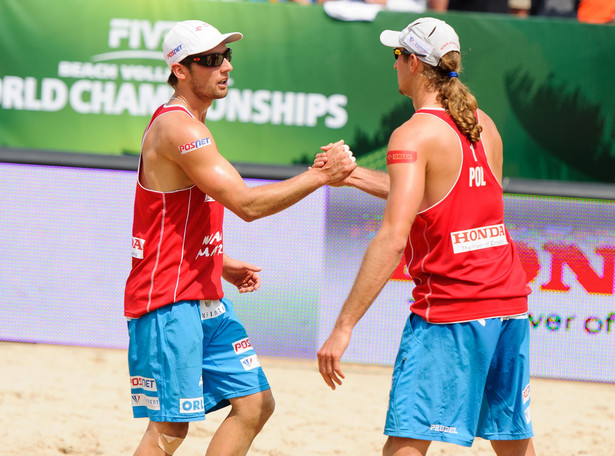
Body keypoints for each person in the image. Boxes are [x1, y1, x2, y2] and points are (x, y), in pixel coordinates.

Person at [124, 20, 356, 456]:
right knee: (170, 429)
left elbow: (167, 217)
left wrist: (216, 259)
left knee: (255, 405)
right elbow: (246, 205)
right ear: (180, 70)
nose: (225, 66)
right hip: (169, 301)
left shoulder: (193, 127)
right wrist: (319, 176)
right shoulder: (180, 129)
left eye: (226, 56)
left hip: (200, 291)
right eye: (210, 60)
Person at [316, 17, 536, 456]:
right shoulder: (482, 123)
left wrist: (343, 327)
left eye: (396, 55)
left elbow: (393, 238)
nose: (393, 64)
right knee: (514, 444)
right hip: (509, 305)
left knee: (406, 440)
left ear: (414, 63)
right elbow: (434, 196)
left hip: (452, 310)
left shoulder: (414, 134)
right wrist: (353, 175)